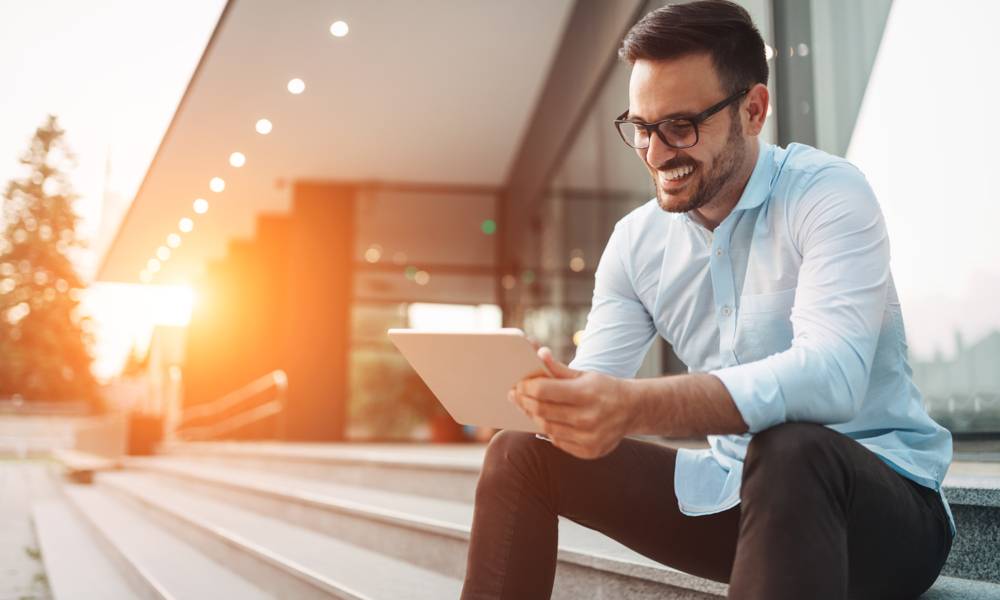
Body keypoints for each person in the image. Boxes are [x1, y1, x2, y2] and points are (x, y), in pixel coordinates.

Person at [460, 2, 954, 599]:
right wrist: (553, 400)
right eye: (642, 128)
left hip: (883, 509)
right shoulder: (637, 243)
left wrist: (633, 406)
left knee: (791, 445)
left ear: (753, 109)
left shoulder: (827, 194)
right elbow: (596, 390)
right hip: (735, 497)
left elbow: (832, 378)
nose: (657, 153)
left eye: (681, 126)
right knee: (520, 454)